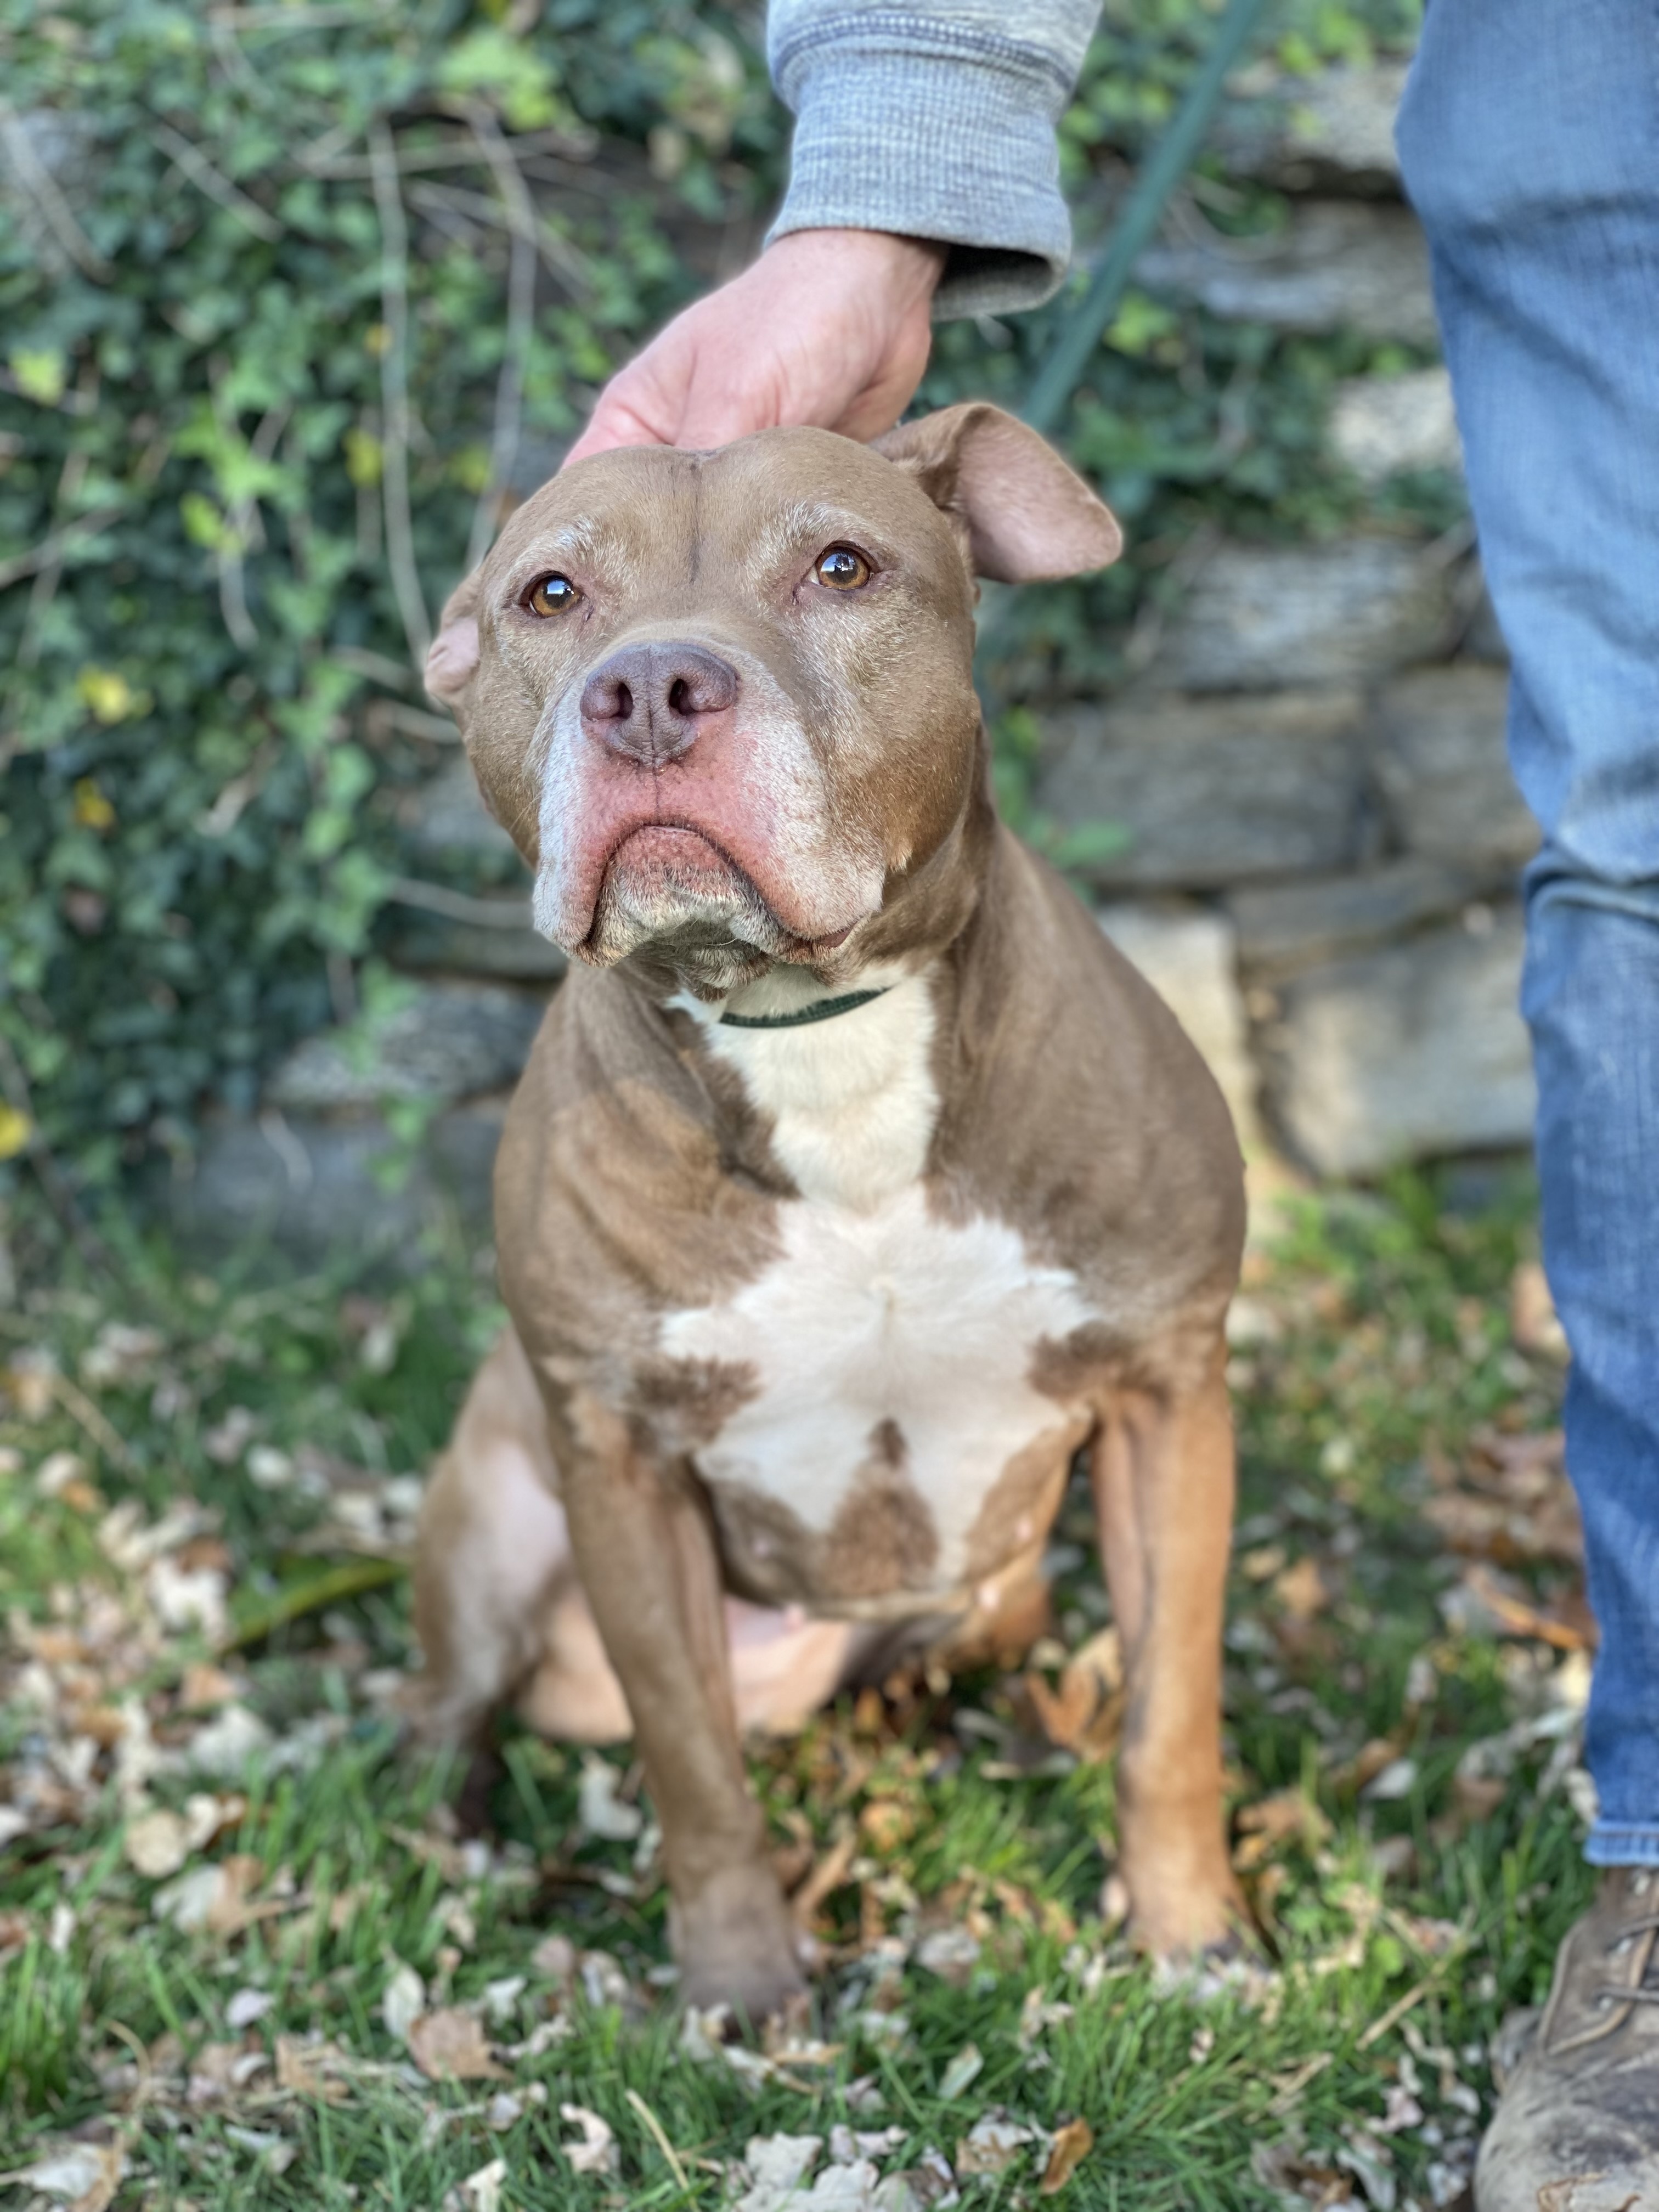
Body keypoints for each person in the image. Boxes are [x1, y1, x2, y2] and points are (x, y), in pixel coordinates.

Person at [568, 4, 1659, 2202]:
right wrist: (888, 175)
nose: (662, 671)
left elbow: (1164, 1365)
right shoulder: (584, 1143)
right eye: (566, 611)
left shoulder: (1105, 1107)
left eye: (843, 574)